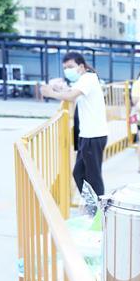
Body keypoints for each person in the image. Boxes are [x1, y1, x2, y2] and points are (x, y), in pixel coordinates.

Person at [40, 51, 108, 195]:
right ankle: (92, 203)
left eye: (70, 66)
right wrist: (56, 88)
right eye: (65, 68)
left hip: (93, 135)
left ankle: (99, 207)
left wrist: (51, 93)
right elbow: (70, 91)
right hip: (87, 135)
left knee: (93, 178)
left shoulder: (88, 78)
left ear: (81, 67)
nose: (67, 70)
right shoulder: (84, 80)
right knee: (79, 173)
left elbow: (71, 96)